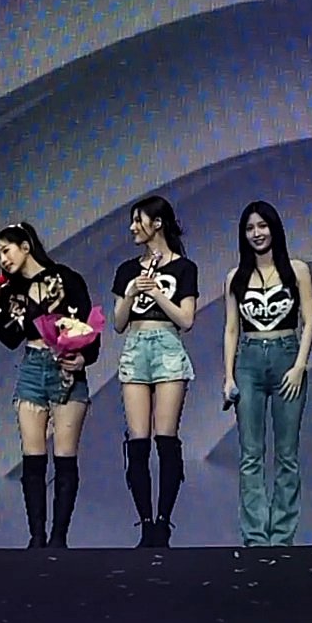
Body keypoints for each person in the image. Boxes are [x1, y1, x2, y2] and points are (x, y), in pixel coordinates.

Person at [0, 221, 97, 548]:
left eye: (6, 250)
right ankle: (36, 536)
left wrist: (84, 357)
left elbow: (88, 325)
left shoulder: (66, 278)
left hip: (66, 367)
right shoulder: (10, 292)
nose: (3, 259)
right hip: (32, 367)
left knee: (65, 455)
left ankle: (59, 537)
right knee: (32, 455)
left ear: (25, 246)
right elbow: (10, 338)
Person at [222, 201, 312, 547]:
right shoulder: (235, 277)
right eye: (250, 228)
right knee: (251, 453)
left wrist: (300, 366)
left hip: (287, 355)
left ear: (274, 228)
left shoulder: (297, 270)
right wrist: (228, 376)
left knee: (287, 453)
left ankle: (282, 537)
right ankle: (256, 538)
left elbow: (309, 321)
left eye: (262, 226)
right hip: (248, 361)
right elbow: (232, 328)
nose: (257, 233)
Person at [113, 195, 199, 548]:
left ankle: (164, 521)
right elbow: (118, 323)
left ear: (158, 223)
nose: (133, 227)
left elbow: (186, 320)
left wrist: (157, 293)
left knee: (166, 438)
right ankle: (145, 522)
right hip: (135, 346)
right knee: (138, 441)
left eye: (139, 220)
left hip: (167, 346)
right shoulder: (127, 270)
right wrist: (132, 292)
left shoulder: (184, 268)